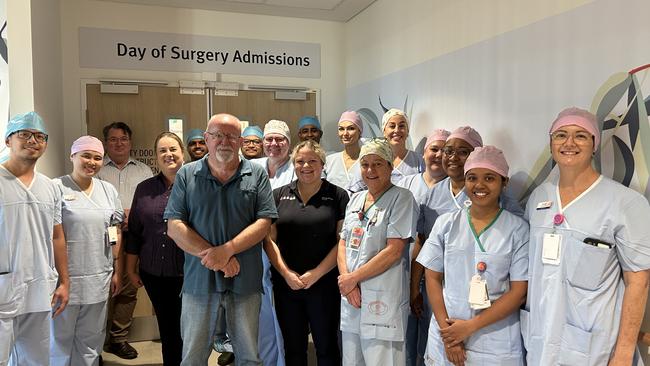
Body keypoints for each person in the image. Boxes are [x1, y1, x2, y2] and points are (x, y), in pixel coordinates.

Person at [522, 107, 650, 365]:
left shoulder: (625, 203)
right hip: (539, 339)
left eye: (580, 135)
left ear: (594, 145)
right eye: (560, 135)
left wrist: (624, 352)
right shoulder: (538, 198)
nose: (569, 143)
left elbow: (638, 281)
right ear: (550, 144)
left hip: (592, 347)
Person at [165, 113, 277, 365]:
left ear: (239, 141)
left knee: (249, 356)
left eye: (231, 136)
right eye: (217, 135)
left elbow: (264, 223)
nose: (224, 141)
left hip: (245, 282)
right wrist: (216, 256)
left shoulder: (256, 174)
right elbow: (174, 226)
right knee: (193, 357)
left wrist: (226, 250)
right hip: (199, 283)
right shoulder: (187, 174)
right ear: (206, 138)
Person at [417, 145, 528, 365]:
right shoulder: (447, 223)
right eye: (472, 177)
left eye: (489, 178)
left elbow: (518, 293)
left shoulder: (518, 229)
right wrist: (449, 337)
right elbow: (432, 277)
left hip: (494, 341)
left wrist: (468, 328)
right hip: (447, 333)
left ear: (504, 182)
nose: (479, 185)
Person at [265, 140, 349, 365]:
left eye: (312, 160)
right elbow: (269, 240)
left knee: (327, 346)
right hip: (287, 286)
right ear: (293, 164)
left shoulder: (338, 196)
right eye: (300, 161)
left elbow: (341, 243)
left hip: (324, 285)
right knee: (293, 348)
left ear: (322, 164)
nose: (306, 166)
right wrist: (285, 273)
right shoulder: (278, 195)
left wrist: (316, 274)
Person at [337, 138, 417, 365]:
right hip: (352, 297)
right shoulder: (355, 199)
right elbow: (343, 243)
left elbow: (394, 250)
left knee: (383, 360)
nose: (370, 170)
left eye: (378, 163)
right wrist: (348, 281)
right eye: (365, 164)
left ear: (391, 166)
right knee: (352, 360)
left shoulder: (402, 198)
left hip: (383, 298)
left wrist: (353, 279)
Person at [0, 111, 69, 365]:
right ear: (8, 141)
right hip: (4, 287)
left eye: (40, 136)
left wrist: (65, 282)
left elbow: (57, 236)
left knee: (37, 359)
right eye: (25, 134)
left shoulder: (50, 187)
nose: (33, 140)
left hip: (40, 287)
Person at [50, 136, 124, 366]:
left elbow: (116, 230)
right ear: (72, 156)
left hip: (98, 277)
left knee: (91, 340)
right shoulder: (56, 187)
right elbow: (53, 236)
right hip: (65, 280)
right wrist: (62, 280)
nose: (91, 162)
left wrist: (116, 270)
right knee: (59, 341)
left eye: (97, 157)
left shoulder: (108, 190)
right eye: (86, 155)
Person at [125, 132, 185, 366]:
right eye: (162, 151)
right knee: (168, 328)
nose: (168, 154)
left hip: (190, 273)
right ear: (156, 157)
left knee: (190, 329)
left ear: (183, 153)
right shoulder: (144, 189)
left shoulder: (197, 185)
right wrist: (131, 269)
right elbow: (135, 232)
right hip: (154, 273)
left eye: (173, 149)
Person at [97, 121, 153, 359]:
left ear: (130, 142)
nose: (119, 143)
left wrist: (135, 215)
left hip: (134, 237)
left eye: (123, 139)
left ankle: (118, 339)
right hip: (102, 237)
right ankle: (93, 342)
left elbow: (151, 203)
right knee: (100, 288)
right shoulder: (96, 169)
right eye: (113, 139)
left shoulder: (144, 171)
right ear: (105, 143)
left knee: (128, 289)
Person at [399, 128, 449, 366]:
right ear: (424, 153)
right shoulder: (407, 183)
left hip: (440, 276)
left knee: (432, 334)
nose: (438, 155)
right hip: (406, 266)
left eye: (444, 150)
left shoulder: (459, 188)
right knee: (405, 332)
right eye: (434, 149)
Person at [252, 119, 295, 366]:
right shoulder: (253, 167)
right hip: (254, 251)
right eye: (269, 139)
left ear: (289, 144)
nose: (274, 144)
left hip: (284, 250)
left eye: (280, 139)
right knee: (261, 315)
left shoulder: (296, 170)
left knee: (282, 315)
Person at [348, 109, 424, 193]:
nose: (397, 130)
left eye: (401, 126)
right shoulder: (371, 159)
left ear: (407, 131)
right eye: (392, 126)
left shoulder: (418, 160)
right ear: (384, 131)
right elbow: (353, 190)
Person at [324, 111, 363, 191]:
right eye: (341, 129)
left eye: (351, 128)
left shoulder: (367, 160)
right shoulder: (329, 161)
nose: (345, 133)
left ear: (359, 131)